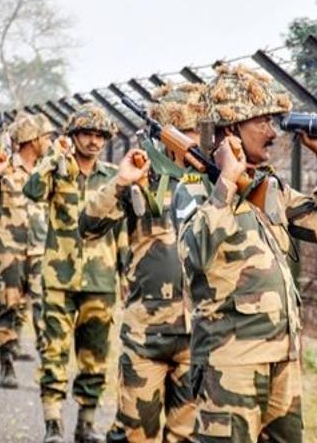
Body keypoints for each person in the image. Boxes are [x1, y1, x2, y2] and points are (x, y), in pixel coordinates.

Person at [174, 63, 317, 443]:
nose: (273, 133)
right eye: (261, 122)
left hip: (283, 358)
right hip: (230, 363)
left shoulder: (268, 188)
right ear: (230, 130)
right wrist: (224, 182)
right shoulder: (194, 189)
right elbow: (194, 254)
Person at [79, 83, 207, 443]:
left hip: (200, 334)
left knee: (186, 436)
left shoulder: (213, 181)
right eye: (184, 131)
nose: (192, 140)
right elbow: (89, 226)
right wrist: (121, 182)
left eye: (197, 130)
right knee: (138, 435)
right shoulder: (141, 178)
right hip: (146, 335)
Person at [23, 103, 125, 443]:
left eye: (99, 136)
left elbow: (121, 229)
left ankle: (86, 422)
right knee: (53, 352)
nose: (94, 142)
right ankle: (53, 423)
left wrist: (125, 274)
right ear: (73, 135)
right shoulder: (56, 169)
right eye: (87, 134)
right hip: (59, 277)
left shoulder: (112, 176)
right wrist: (54, 157)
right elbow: (32, 190)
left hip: (101, 278)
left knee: (94, 355)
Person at [0, 113, 53, 388]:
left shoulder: (47, 170)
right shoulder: (4, 168)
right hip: (9, 251)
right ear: (31, 140)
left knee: (45, 308)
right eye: (45, 137)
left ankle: (50, 369)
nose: (49, 141)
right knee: (8, 305)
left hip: (40, 249)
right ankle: (6, 363)